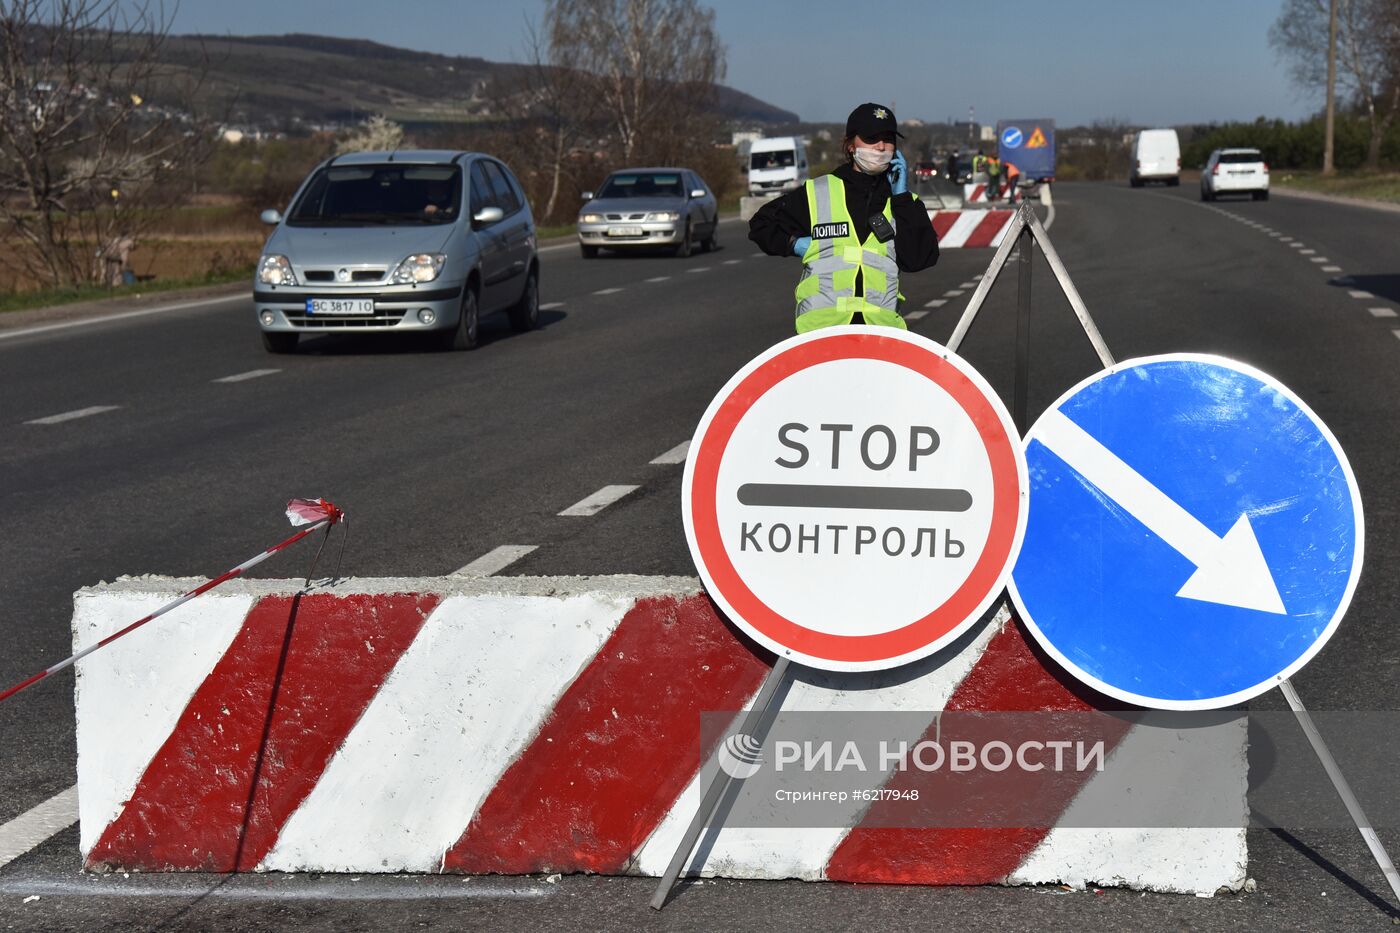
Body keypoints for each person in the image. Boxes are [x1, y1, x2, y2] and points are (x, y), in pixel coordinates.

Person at [748, 102, 939, 332]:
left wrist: (902, 198)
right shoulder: (819, 192)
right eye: (871, 138)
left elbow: (920, 259)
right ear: (850, 145)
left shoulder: (904, 203)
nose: (881, 147)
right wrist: (795, 244)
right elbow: (761, 224)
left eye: (888, 139)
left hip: (880, 335)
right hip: (823, 334)